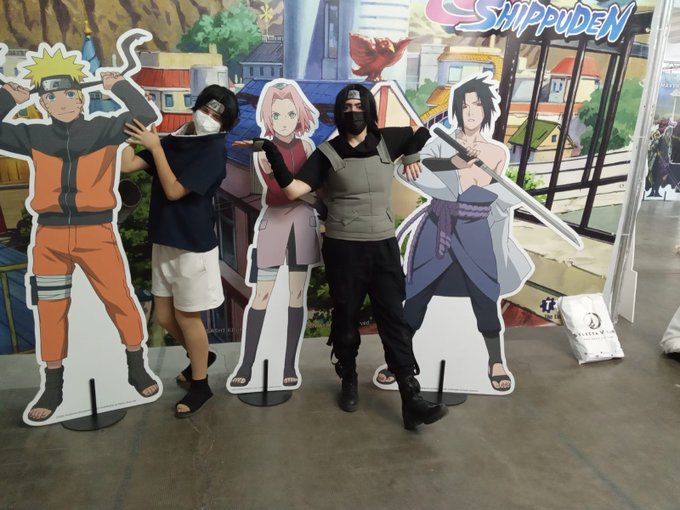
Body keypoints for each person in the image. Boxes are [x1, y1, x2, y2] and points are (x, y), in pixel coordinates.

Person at [234, 83, 448, 430]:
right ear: (339, 112)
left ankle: (411, 397)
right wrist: (270, 149)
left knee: (394, 319)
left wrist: (411, 155)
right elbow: (293, 189)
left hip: (383, 247)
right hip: (344, 248)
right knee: (346, 320)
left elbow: (421, 133)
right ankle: (348, 377)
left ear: (368, 110)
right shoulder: (327, 152)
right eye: (347, 107)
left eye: (359, 106)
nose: (353, 112)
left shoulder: (387, 140)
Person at [0, 45, 160, 423]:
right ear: (44, 103)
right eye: (52, 97)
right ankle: (53, 385)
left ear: (81, 96)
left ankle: (136, 367)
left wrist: (119, 86)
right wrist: (8, 99)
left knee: (120, 300)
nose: (63, 102)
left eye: (70, 93)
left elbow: (145, 115)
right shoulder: (33, 135)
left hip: (96, 232)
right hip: (50, 238)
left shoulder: (105, 128)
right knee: (51, 311)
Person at [386, 75, 532, 392]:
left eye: (477, 104)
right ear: (456, 110)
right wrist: (451, 163)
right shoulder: (440, 143)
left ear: (486, 109)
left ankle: (495, 361)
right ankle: (398, 360)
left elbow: (489, 192)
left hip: (476, 228)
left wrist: (502, 195)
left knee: (485, 292)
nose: (471, 111)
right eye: (464, 106)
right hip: (439, 223)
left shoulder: (496, 152)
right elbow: (411, 169)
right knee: (417, 292)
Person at [121, 85, 239, 418]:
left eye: (217, 116)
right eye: (206, 110)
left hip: (192, 246)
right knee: (163, 316)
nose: (208, 118)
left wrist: (156, 148)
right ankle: (202, 357)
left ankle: (201, 384)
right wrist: (130, 126)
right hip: (164, 239)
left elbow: (174, 191)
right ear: (196, 107)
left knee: (188, 317)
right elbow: (128, 164)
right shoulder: (175, 139)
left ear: (225, 125)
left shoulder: (214, 150)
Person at [230, 81, 320, 389]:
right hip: (275, 222)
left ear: (300, 115)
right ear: (268, 117)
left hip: (303, 223)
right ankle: (246, 364)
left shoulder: (307, 147)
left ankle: (289, 365)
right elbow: (282, 190)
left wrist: (309, 195)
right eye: (277, 115)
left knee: (296, 296)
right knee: (262, 296)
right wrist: (312, 197)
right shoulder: (262, 151)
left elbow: (308, 186)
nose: (284, 121)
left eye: (290, 114)